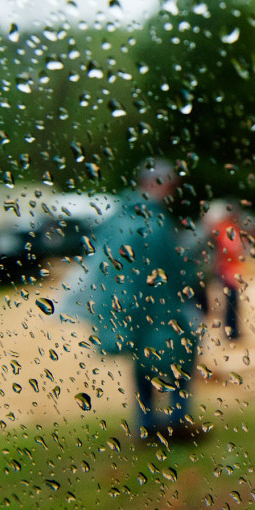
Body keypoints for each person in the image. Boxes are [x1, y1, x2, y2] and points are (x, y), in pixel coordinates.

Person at [62, 159, 204, 443]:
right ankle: (176, 422)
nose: (172, 193)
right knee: (179, 360)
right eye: (170, 186)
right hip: (162, 309)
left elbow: (100, 267)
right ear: (155, 183)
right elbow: (175, 268)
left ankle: (147, 423)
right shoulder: (155, 223)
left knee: (143, 364)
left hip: (130, 309)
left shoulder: (118, 219)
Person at [201, 199, 246, 340]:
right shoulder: (224, 229)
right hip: (228, 271)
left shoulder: (223, 229)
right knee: (231, 302)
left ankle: (232, 331)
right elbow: (232, 248)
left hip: (229, 270)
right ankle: (232, 333)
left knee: (231, 302)